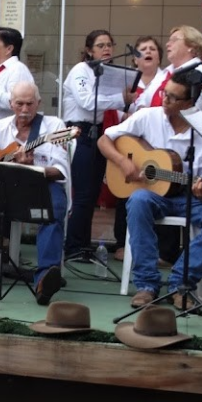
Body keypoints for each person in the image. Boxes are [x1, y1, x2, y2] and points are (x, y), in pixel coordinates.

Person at [98, 69, 202, 310]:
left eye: (171, 97)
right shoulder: (148, 116)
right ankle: (147, 285)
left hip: (186, 197)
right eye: (164, 93)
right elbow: (104, 140)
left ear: (189, 102)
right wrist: (123, 161)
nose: (164, 99)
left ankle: (181, 283)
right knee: (138, 200)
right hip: (151, 195)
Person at [0, 82, 69, 305]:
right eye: (19, 103)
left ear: (38, 104)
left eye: (30, 104)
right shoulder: (1, 127)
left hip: (41, 184)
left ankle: (44, 279)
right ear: (11, 104)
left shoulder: (54, 126)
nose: (24, 109)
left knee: (54, 206)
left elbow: (59, 172)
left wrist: (31, 169)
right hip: (6, 188)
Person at [62, 30, 131, 258]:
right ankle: (73, 246)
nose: (106, 49)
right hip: (78, 133)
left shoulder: (107, 73)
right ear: (89, 50)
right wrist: (121, 98)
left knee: (91, 195)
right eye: (100, 45)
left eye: (109, 44)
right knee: (81, 194)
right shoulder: (81, 71)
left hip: (96, 135)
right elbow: (87, 101)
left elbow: (113, 106)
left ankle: (83, 244)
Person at [113, 35, 166, 262]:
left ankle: (163, 249)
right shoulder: (127, 82)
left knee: (161, 188)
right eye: (142, 49)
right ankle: (121, 243)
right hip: (130, 142)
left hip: (159, 143)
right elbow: (116, 113)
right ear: (135, 58)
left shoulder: (167, 80)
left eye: (152, 48)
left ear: (159, 56)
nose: (148, 52)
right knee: (125, 188)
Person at [132, 25, 202, 113]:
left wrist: (150, 116)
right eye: (169, 40)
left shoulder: (201, 74)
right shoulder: (165, 73)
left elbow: (190, 112)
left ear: (192, 46)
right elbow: (142, 100)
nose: (167, 44)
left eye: (174, 40)